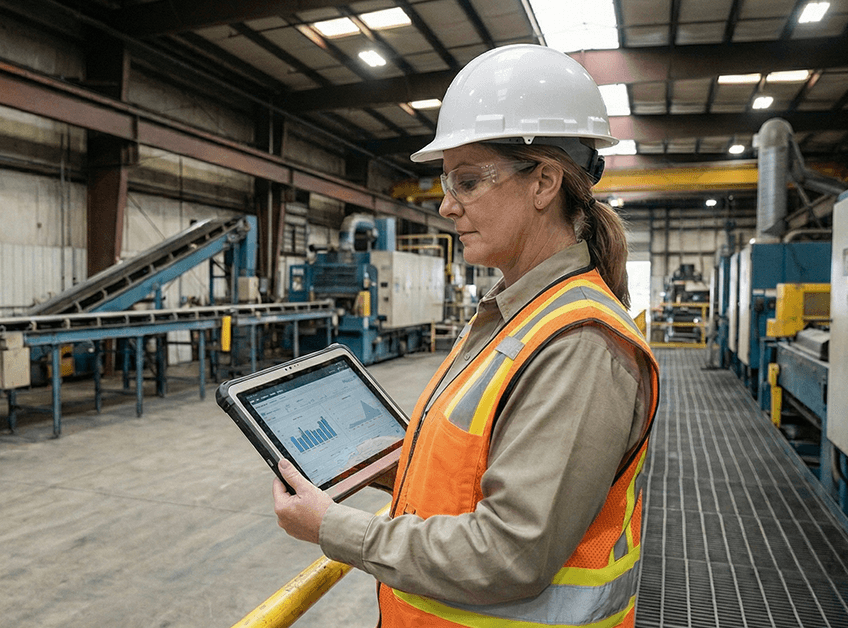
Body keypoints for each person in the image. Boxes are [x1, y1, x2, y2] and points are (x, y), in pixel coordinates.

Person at [272, 44, 661, 628]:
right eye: (446, 183)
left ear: (544, 183)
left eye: (468, 181)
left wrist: (334, 528)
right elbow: (476, 468)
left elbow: (510, 555)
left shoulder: (577, 344)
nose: (447, 207)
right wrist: (385, 469)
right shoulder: (512, 314)